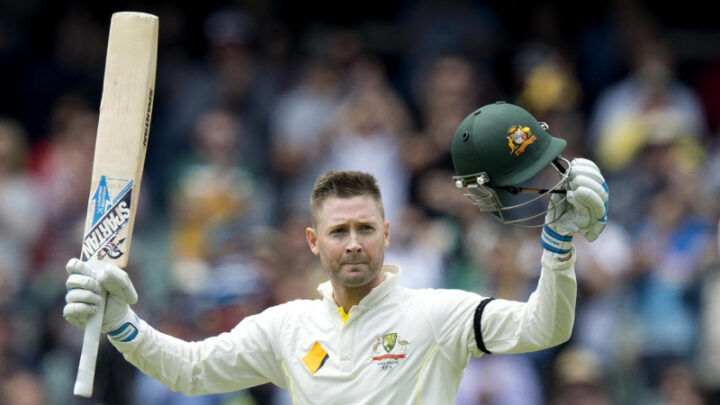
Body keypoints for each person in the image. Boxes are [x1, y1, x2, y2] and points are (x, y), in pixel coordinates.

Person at [62, 103, 609, 404]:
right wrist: (120, 323)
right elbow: (190, 370)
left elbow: (546, 328)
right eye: (340, 230)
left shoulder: (441, 315)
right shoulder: (285, 327)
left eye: (366, 228)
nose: (353, 243)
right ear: (312, 241)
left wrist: (558, 248)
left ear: (387, 233)